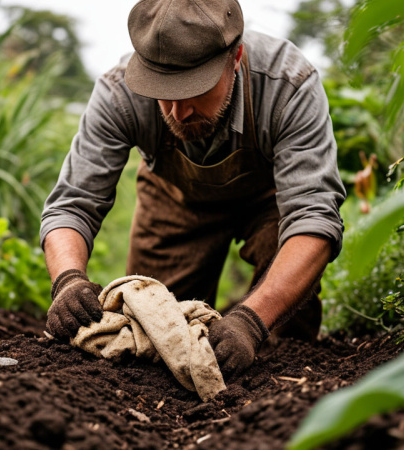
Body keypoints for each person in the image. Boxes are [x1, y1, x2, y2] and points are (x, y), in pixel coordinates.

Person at [40, 0, 345, 379]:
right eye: (163, 91)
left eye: (194, 90)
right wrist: (68, 280)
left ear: (236, 57)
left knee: (284, 341)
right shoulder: (120, 94)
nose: (177, 112)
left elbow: (314, 220)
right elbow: (72, 204)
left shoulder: (289, 85)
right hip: (174, 200)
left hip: (274, 202)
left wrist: (250, 322)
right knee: (155, 332)